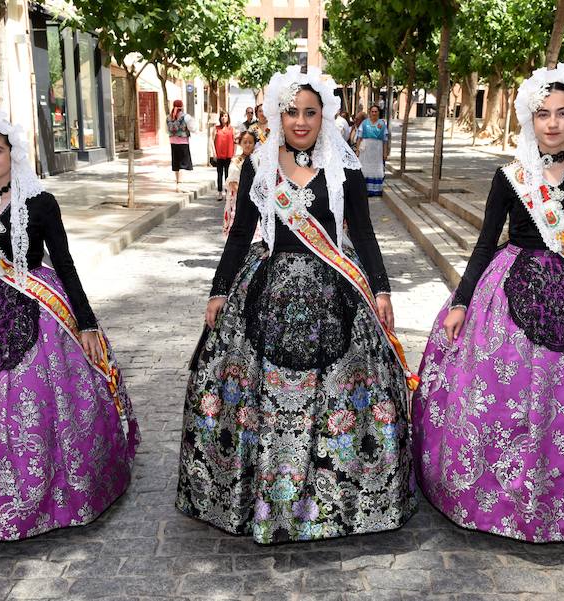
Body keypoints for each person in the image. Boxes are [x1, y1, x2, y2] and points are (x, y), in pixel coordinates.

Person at [177, 65, 418, 544]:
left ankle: (336, 502)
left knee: (339, 394)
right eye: (292, 112)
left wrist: (382, 289)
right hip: (267, 288)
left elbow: (363, 234)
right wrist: (219, 289)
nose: (301, 121)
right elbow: (242, 233)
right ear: (277, 114)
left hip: (336, 290)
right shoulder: (258, 164)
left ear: (325, 115)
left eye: (311, 112)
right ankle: (262, 499)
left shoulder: (344, 166)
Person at [411, 64, 564, 543]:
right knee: (507, 398)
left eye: (563, 113)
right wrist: (461, 301)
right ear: (530, 119)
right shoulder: (510, 176)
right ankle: (501, 499)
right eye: (544, 114)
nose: (553, 123)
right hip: (510, 289)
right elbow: (483, 243)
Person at [0, 110, 139, 541]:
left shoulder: (41, 202)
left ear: (13, 153)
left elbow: (66, 264)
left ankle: (48, 492)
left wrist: (86, 322)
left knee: (37, 403)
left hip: (35, 307)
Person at [222, 130, 258, 238]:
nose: (247, 145)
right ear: (240, 143)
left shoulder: (259, 160)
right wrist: (246, 194)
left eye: (250, 142)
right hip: (240, 199)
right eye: (245, 142)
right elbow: (233, 183)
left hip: (256, 199)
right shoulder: (236, 161)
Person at [355, 105, 389, 198]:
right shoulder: (364, 123)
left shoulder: (382, 124)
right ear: (369, 112)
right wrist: (357, 150)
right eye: (372, 111)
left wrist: (385, 152)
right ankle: (364, 189)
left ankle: (376, 190)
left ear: (378, 112)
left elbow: (385, 140)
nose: (374, 113)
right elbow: (359, 137)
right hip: (366, 149)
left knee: (376, 168)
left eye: (376, 111)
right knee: (365, 168)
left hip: (377, 150)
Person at [167, 99, 198, 191]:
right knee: (183, 165)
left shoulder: (169, 117)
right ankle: (180, 185)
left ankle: (177, 182)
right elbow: (192, 128)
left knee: (176, 163)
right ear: (182, 106)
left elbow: (167, 129)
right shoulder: (185, 117)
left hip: (173, 142)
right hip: (183, 142)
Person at [210, 111, 236, 201]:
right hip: (219, 155)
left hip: (229, 154)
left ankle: (228, 192)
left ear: (228, 117)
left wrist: (234, 154)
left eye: (225, 116)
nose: (223, 118)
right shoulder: (216, 128)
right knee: (219, 174)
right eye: (222, 116)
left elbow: (235, 142)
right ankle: (220, 192)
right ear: (220, 118)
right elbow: (211, 141)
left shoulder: (232, 129)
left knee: (228, 175)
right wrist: (214, 153)